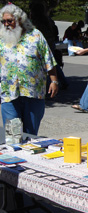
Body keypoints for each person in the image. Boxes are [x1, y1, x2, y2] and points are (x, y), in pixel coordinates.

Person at [0, 3, 59, 135]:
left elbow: (48, 59)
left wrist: (54, 81)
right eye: (3, 21)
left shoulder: (36, 35)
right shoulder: (1, 38)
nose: (6, 24)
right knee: (12, 136)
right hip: (8, 94)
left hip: (33, 93)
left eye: (9, 21)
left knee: (30, 135)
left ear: (20, 19)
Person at [29, 2, 69, 90]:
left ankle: (44, 86)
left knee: (44, 67)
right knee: (52, 64)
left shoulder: (35, 24)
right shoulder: (47, 21)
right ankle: (61, 81)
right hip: (49, 45)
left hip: (41, 48)